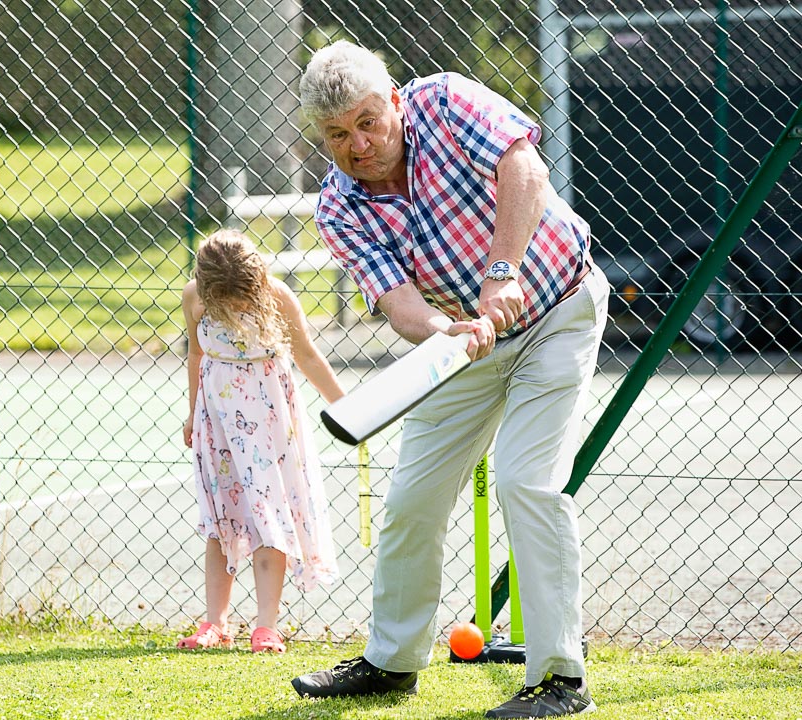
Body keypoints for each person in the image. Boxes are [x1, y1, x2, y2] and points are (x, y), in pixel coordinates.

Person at [290, 41, 609, 718]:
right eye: (337, 135)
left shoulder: (445, 99)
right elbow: (397, 300)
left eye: (368, 122)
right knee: (411, 498)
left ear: (396, 102)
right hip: (466, 341)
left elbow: (522, 167)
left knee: (527, 481)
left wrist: (503, 271)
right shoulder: (337, 205)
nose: (359, 145)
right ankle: (391, 663)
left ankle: (559, 680)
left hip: (559, 307)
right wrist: (445, 333)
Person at [177, 229, 344, 654]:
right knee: (221, 518)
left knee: (270, 514)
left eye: (244, 296)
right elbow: (197, 355)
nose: (238, 306)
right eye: (229, 299)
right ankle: (216, 621)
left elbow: (306, 355)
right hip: (219, 422)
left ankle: (266, 626)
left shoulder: (278, 296)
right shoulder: (195, 296)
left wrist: (346, 406)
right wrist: (193, 412)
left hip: (269, 421)